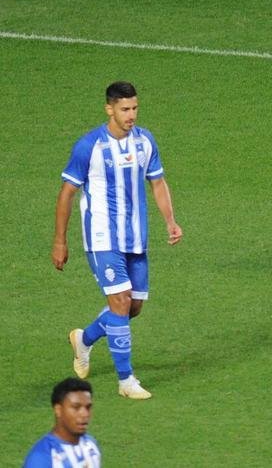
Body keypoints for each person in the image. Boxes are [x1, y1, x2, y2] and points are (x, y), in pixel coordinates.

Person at [54, 81, 183, 401]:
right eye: (125, 109)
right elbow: (67, 193)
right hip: (101, 237)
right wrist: (60, 240)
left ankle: (84, 339)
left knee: (133, 307)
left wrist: (170, 221)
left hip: (136, 237)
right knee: (121, 302)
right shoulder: (89, 147)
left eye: (135, 108)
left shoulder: (145, 141)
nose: (131, 115)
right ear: (109, 108)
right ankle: (126, 381)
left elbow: (158, 183)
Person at [23, 378, 101, 467]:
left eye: (88, 407)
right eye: (76, 407)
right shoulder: (42, 458)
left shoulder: (91, 445)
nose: (85, 414)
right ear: (58, 410)